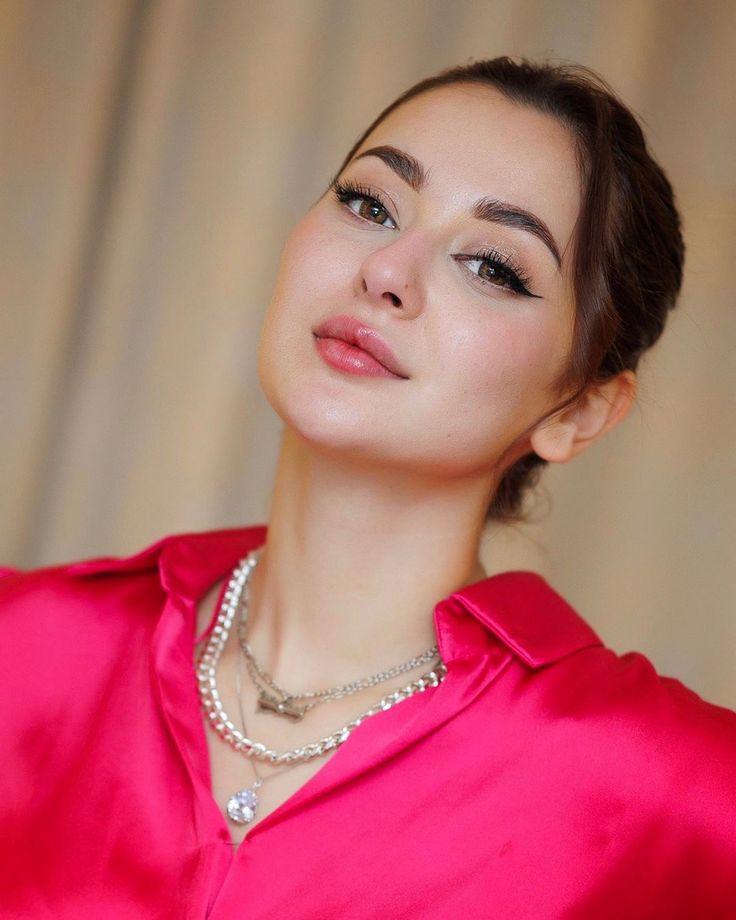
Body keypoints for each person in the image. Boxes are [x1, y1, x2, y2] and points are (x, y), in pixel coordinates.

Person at [2, 56, 735, 919]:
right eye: (369, 203)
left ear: (578, 412)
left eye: (494, 267)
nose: (388, 269)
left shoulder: (670, 788)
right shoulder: (26, 650)